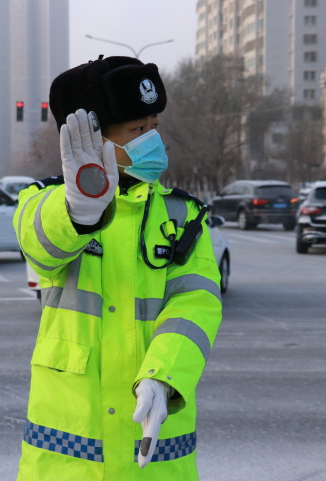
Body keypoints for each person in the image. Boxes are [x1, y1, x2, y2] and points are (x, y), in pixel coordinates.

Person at [13, 55, 223, 481]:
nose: (151, 140)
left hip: (156, 451)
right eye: (136, 130)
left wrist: (165, 376)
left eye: (154, 127)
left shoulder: (181, 215)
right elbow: (41, 247)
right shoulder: (45, 203)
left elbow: (196, 304)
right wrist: (79, 211)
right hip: (69, 457)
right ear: (94, 140)